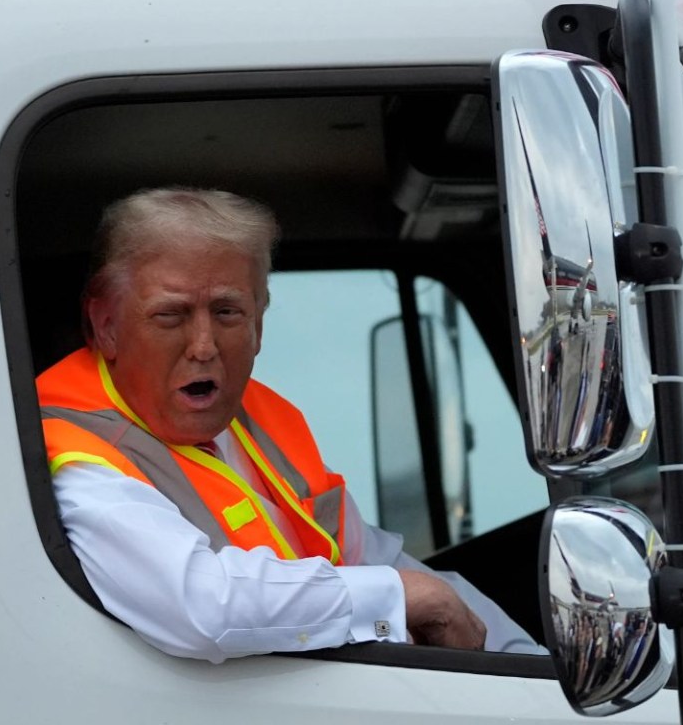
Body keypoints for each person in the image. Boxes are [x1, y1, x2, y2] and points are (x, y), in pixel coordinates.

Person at [39, 187, 541, 662]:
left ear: (260, 323)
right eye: (171, 315)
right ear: (105, 325)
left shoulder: (259, 423)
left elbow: (376, 559)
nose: (203, 345)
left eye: (228, 311)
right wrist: (394, 598)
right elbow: (202, 607)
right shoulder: (75, 452)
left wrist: (526, 666)